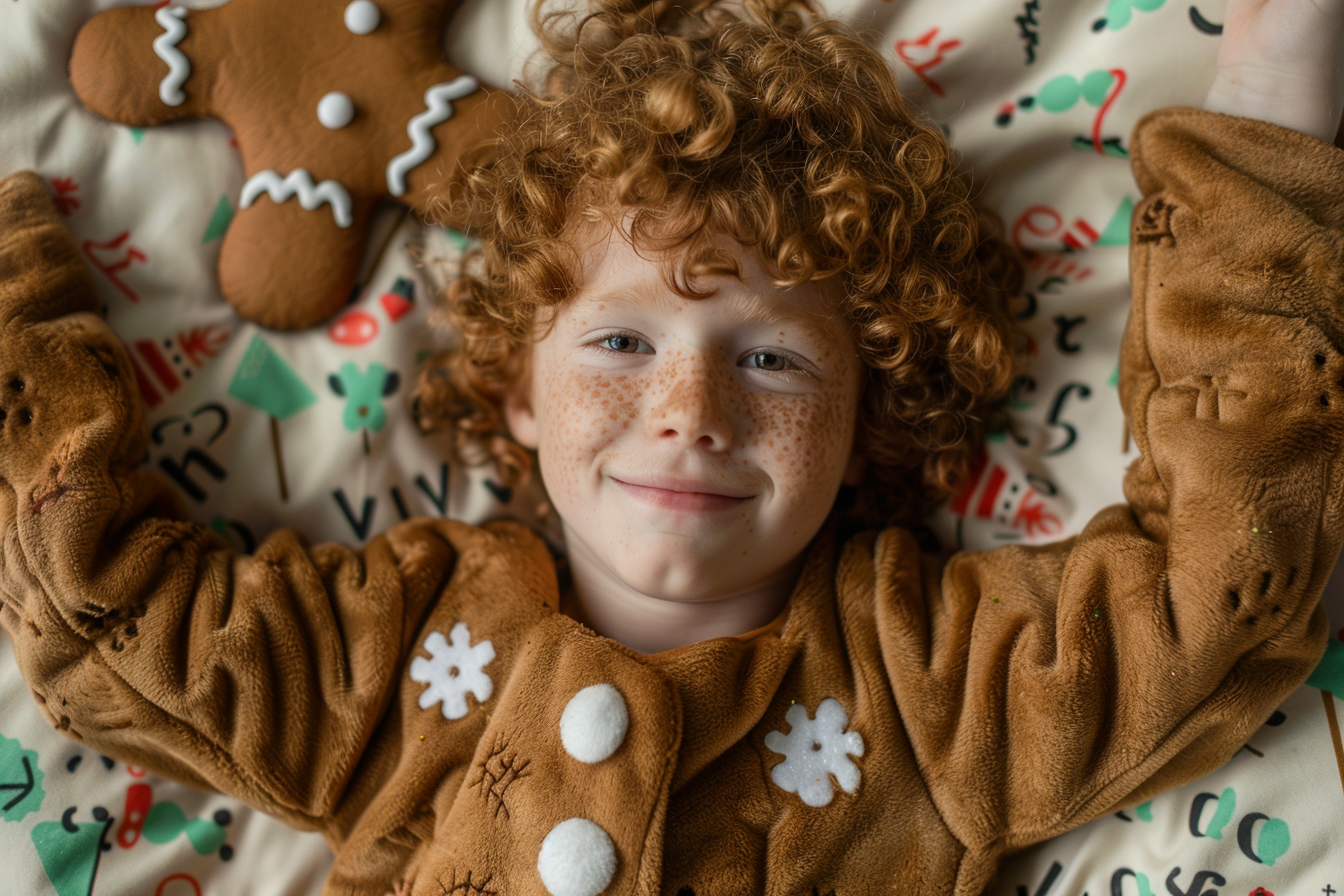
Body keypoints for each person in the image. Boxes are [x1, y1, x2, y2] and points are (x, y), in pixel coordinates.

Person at [1, 0, 1342, 894]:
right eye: (619, 345)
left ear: (871, 415)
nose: (691, 408)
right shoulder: (399, 646)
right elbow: (107, 617)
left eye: (771, 357)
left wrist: (1264, 141)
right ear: (514, 391)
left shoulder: (937, 686)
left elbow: (1222, 584)